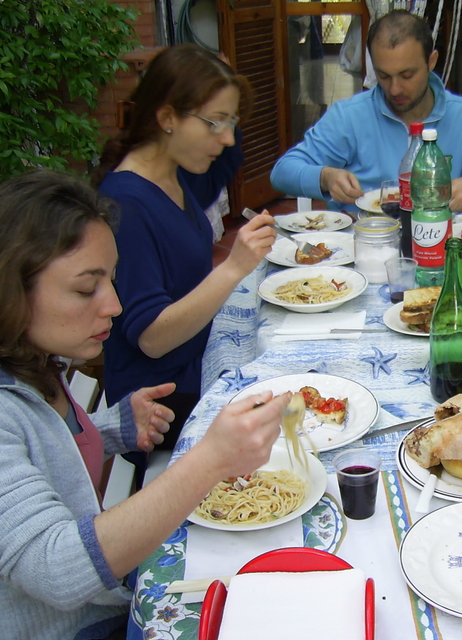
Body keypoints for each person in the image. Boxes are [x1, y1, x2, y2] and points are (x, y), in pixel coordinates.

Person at [0, 170, 292, 640]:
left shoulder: (38, 361)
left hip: (110, 590)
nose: (114, 305)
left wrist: (113, 425)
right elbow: (57, 570)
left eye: (112, 281)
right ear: (10, 289)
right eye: (84, 288)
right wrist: (210, 460)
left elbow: (41, 450)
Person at [91, 44, 277, 446]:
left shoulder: (174, 175)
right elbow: (152, 339)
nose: (228, 138)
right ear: (167, 118)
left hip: (196, 365)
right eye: (215, 123)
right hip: (160, 405)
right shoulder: (126, 204)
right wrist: (233, 267)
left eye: (233, 122)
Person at [270, 9, 462, 214]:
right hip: (365, 247)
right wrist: (325, 177)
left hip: (440, 243)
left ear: (431, 62)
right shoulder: (349, 116)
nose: (395, 89)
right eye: (383, 76)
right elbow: (282, 172)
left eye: (407, 75)